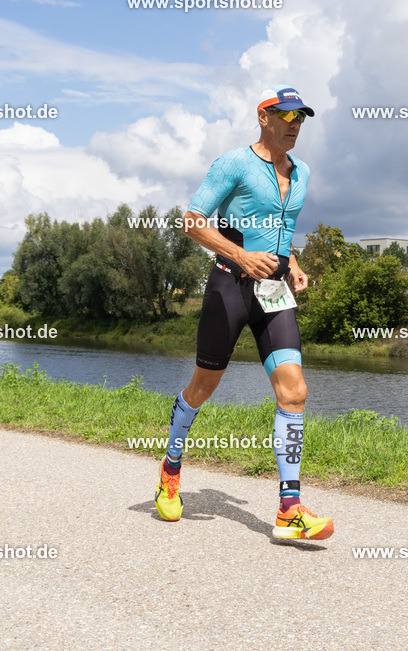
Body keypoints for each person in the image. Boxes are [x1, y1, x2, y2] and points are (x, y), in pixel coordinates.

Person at [154, 85, 333, 540]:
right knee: (202, 387)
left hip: (273, 292)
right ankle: (170, 470)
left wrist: (292, 262)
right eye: (288, 118)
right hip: (230, 287)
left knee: (294, 392)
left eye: (301, 119)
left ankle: (289, 509)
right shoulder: (233, 163)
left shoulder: (303, 172)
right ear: (264, 118)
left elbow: (282, 230)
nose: (295, 126)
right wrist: (239, 255)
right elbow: (192, 221)